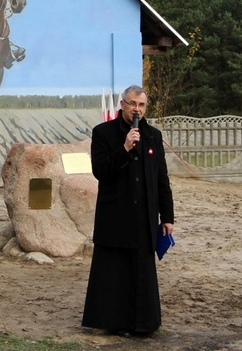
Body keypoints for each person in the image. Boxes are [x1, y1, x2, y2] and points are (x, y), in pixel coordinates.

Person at [82, 85, 174, 338]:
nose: (137, 109)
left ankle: (143, 324)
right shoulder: (103, 133)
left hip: (145, 213)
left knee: (141, 270)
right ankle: (114, 321)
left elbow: (161, 178)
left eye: (142, 105)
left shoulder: (153, 135)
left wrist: (167, 217)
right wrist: (124, 148)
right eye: (133, 104)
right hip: (115, 214)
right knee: (115, 270)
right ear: (122, 104)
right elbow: (100, 170)